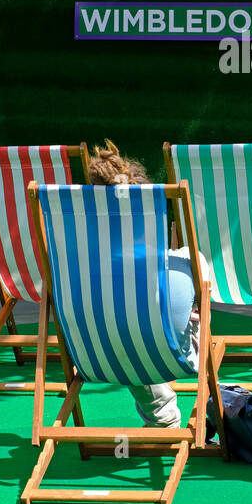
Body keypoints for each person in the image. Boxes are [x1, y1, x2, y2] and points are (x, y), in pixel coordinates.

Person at [87, 140, 208, 428]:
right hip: (170, 354)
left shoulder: (77, 268)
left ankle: (161, 411)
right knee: (169, 310)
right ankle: (169, 409)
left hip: (93, 356)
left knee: (123, 324)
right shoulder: (182, 264)